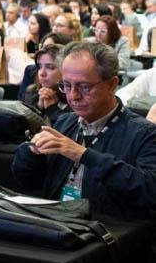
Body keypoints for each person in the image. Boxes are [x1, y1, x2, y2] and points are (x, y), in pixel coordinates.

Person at [13, 41, 156, 219]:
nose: (73, 96)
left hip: (109, 235)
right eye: (66, 85)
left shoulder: (145, 134)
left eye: (84, 87)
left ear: (112, 84)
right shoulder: (65, 123)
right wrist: (31, 153)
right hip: (56, 225)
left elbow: (150, 191)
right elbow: (27, 182)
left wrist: (83, 155)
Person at [21, 43, 69, 124]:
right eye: (39, 67)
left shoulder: (73, 95)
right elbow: (24, 126)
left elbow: (69, 130)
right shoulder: (32, 91)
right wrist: (39, 108)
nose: (42, 73)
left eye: (50, 67)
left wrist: (52, 109)